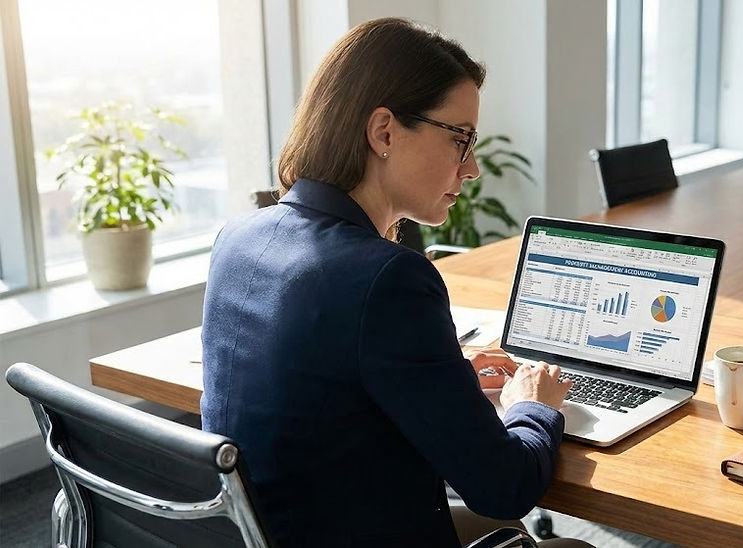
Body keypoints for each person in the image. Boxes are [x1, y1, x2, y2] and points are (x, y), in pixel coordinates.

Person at [201, 17, 592, 547]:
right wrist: (534, 404)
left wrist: (442, 378)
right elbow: (505, 485)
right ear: (384, 131)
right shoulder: (387, 277)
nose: (472, 167)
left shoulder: (237, 238)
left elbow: (322, 392)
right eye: (461, 139)